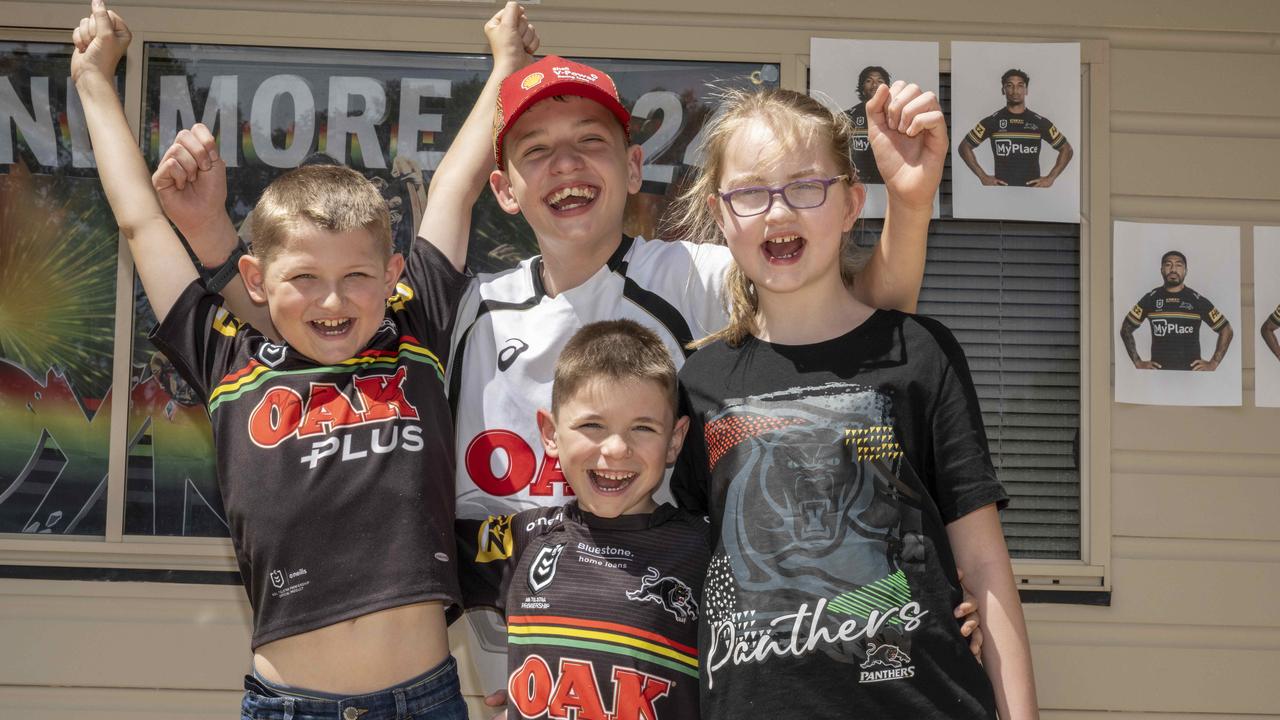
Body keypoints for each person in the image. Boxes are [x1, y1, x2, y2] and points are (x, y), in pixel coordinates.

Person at [71, 2, 536, 717]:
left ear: (392, 276)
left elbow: (455, 188)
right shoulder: (228, 359)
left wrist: (506, 66)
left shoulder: (417, 331)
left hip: (426, 699)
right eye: (305, 279)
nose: (333, 300)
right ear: (256, 280)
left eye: (356, 276)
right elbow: (139, 218)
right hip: (288, 705)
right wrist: (93, 79)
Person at [669, 87, 1039, 719]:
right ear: (721, 214)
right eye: (751, 192)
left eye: (805, 187)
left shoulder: (920, 352)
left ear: (850, 204)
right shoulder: (698, 382)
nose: (778, 212)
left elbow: (983, 563)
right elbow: (672, 565)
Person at [456, 320, 707, 720]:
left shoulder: (708, 552)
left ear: (675, 440)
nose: (615, 449)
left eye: (642, 427)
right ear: (550, 433)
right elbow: (414, 559)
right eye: (592, 425)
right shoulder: (522, 538)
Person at [958, 68, 1073, 188]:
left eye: (1020, 86)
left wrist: (1051, 178)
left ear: (1026, 90)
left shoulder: (1038, 122)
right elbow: (964, 147)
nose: (1015, 91)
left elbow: (1067, 149)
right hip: (1001, 193)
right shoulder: (993, 121)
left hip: (1033, 193)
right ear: (1003, 90)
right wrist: (983, 176)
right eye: (1009, 86)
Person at [1120, 250, 1233, 371]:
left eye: (1179, 265)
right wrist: (1137, 361)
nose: (1173, 269)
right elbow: (1126, 328)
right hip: (1158, 376)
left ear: (1185, 271)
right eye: (1168, 265)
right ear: (1162, 270)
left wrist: (1214, 362)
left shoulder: (1197, 300)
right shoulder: (1151, 298)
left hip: (1192, 376)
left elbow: (1226, 330)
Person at [846, 65, 891, 184]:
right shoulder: (847, 116)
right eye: (869, 80)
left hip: (888, 185)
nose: (874, 85)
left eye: (880, 81)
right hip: (857, 185)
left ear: (887, 87)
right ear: (862, 87)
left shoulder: (896, 116)